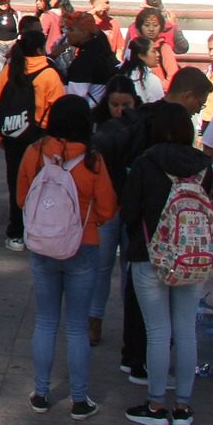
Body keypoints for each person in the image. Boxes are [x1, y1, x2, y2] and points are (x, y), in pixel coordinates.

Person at [16, 94, 118, 419]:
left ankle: (41, 392)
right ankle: (79, 398)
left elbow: (21, 197)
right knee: (76, 326)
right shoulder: (92, 160)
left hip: (43, 246)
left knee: (45, 321)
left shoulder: (34, 153)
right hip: (82, 246)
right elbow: (107, 207)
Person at [118, 101, 213, 425]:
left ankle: (156, 404)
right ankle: (184, 407)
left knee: (158, 332)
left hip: (150, 256)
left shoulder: (145, 163)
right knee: (186, 331)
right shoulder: (204, 166)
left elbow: (129, 212)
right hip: (193, 257)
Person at [0, 28, 65, 250]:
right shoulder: (49, 73)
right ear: (40, 48)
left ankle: (16, 232)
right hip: (39, 138)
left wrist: (1, 133)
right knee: (41, 186)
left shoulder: (10, 69)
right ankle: (37, 230)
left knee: (16, 184)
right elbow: (57, 110)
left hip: (13, 137)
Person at [87, 78, 143, 357]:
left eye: (126, 105)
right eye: (114, 105)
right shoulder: (98, 127)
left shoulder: (142, 126)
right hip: (107, 206)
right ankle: (94, 321)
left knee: (131, 270)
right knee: (101, 266)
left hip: (134, 205)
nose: (120, 110)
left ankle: (130, 329)